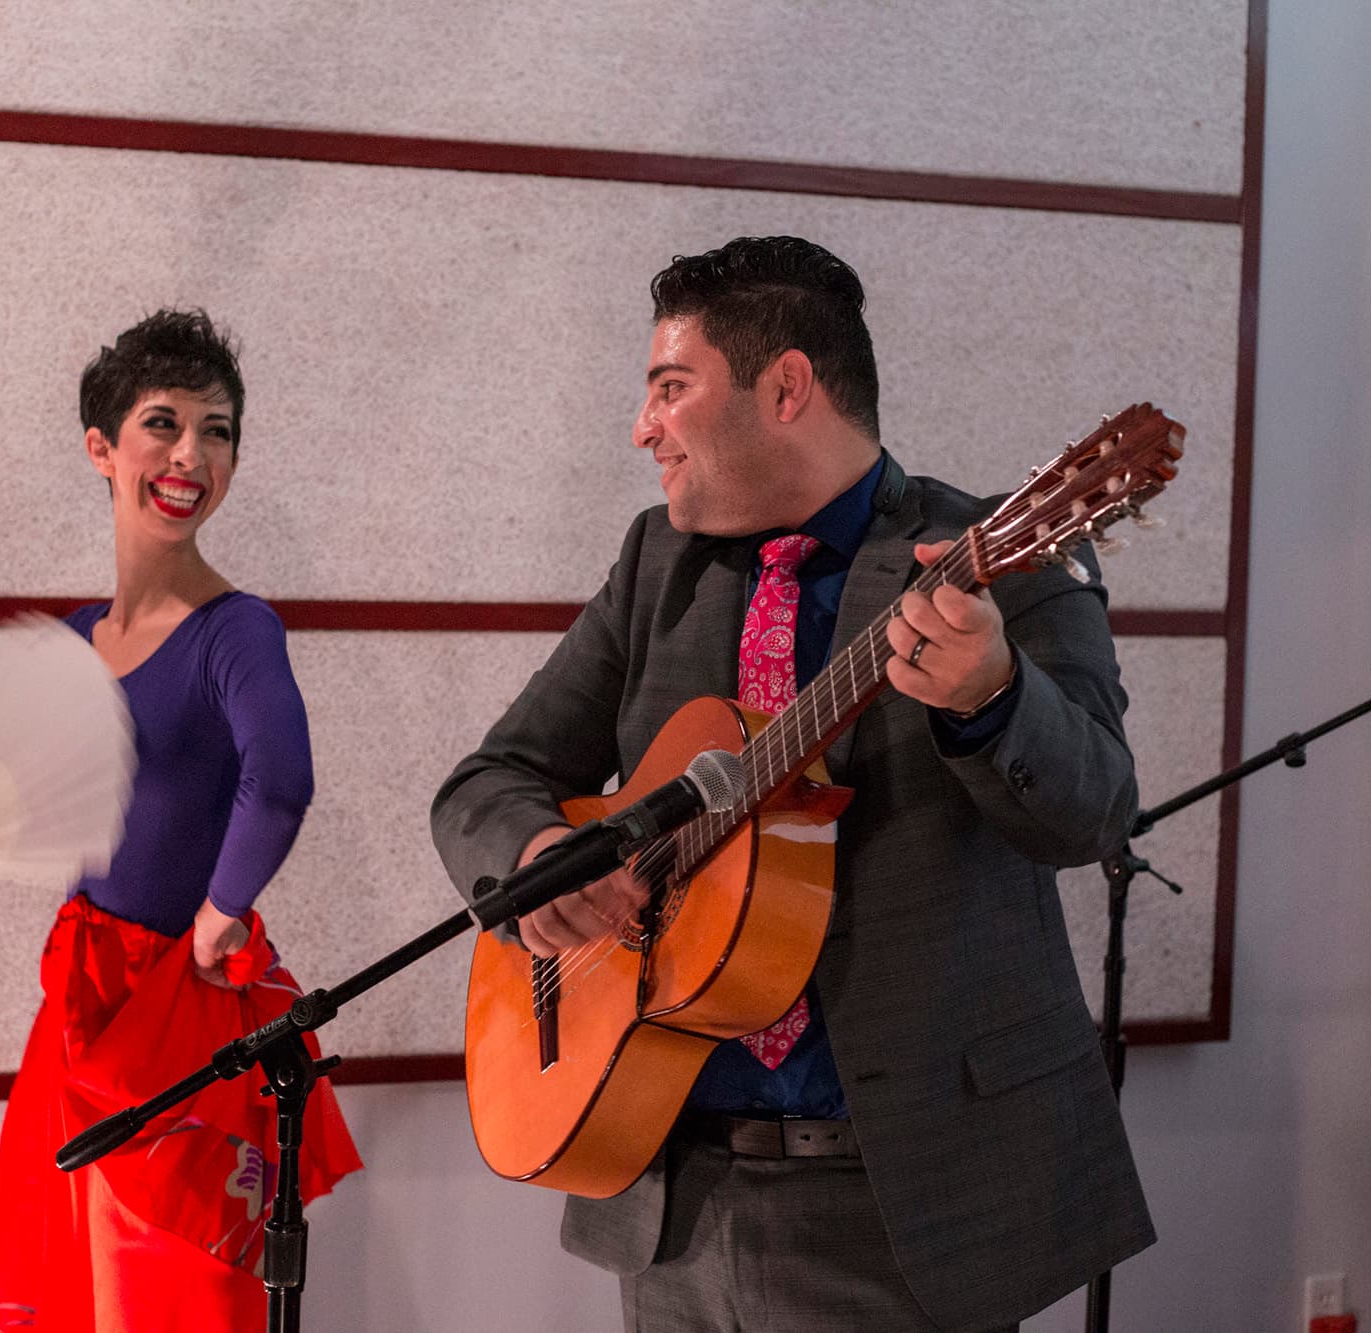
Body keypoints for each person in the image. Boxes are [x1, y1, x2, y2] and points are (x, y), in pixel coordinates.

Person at [431, 237, 1152, 1332]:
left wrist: (994, 695)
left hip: (899, 1206)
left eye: (669, 389)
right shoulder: (654, 565)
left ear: (784, 388)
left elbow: (1095, 808)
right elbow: (492, 778)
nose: (642, 429)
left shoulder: (993, 557)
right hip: (669, 1183)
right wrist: (540, 866)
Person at [0, 309, 361, 1332]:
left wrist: (223, 910)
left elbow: (279, 784)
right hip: (76, 1009)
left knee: (170, 1297)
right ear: (101, 448)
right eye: (164, 423)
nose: (192, 453)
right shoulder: (73, 639)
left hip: (176, 1013)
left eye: (218, 429)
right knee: (63, 1285)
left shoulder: (236, 628)